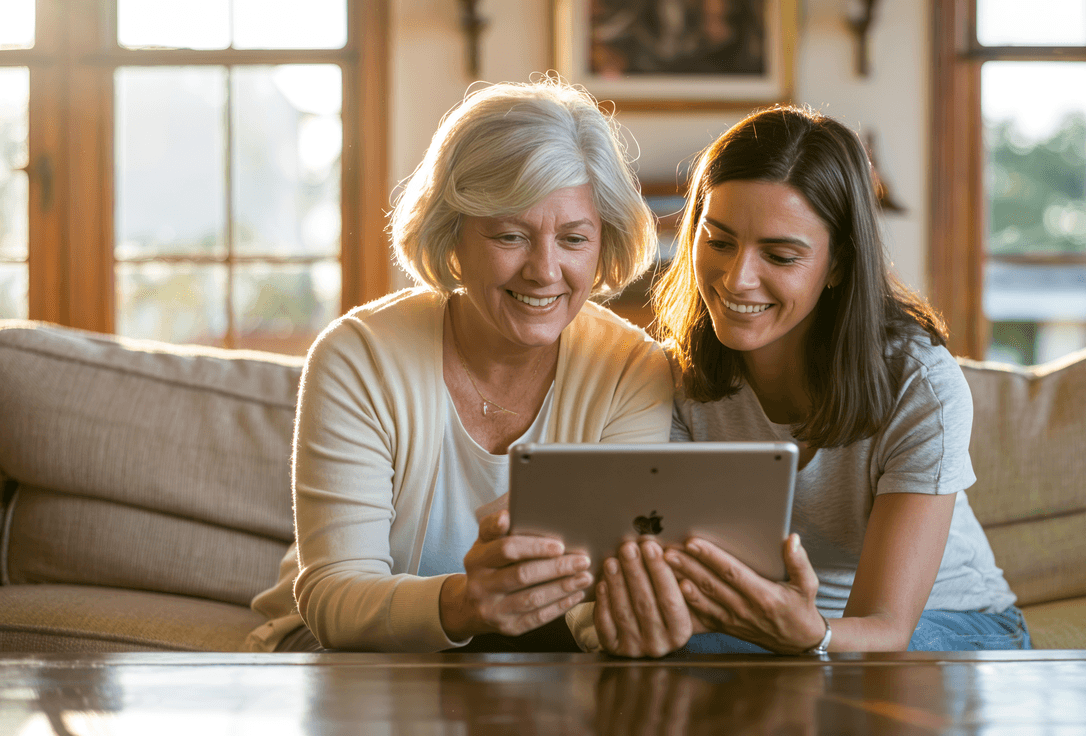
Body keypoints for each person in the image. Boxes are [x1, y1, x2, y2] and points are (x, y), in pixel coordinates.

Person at [243, 79, 673, 653]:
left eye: (573, 239)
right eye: (511, 236)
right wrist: (466, 604)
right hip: (346, 653)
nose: (545, 271)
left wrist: (635, 625)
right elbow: (334, 598)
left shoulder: (630, 370)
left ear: (604, 244)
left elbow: (601, 600)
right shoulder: (358, 356)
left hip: (537, 661)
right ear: (454, 235)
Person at [588, 106, 1028, 657]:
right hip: (766, 626)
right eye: (719, 242)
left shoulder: (921, 384)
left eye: (779, 254)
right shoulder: (674, 378)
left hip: (950, 624)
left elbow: (885, 626)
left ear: (838, 264)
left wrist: (813, 634)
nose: (737, 278)